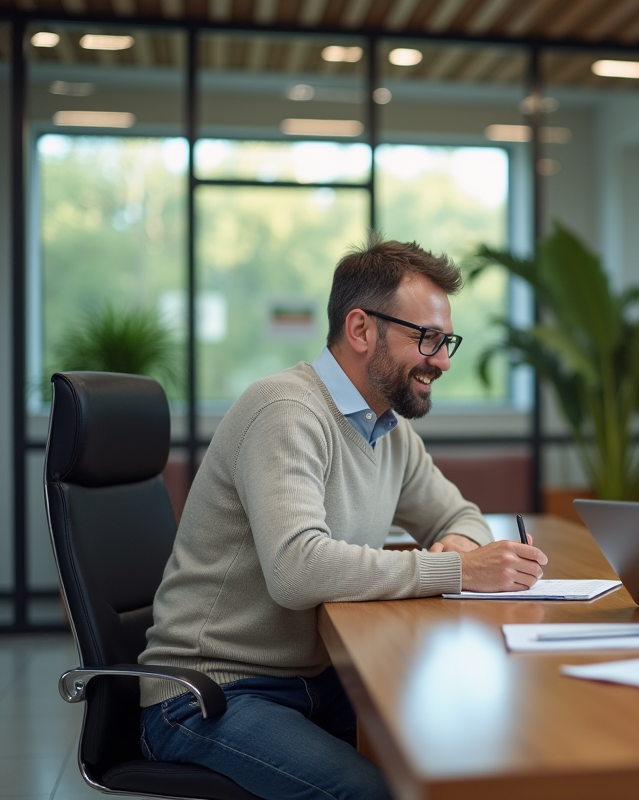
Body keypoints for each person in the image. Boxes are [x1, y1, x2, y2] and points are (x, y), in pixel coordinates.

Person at [138, 233, 548, 800]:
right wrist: (458, 570)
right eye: (427, 338)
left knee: (458, 749)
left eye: (446, 340)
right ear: (360, 330)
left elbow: (460, 514)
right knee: (376, 791)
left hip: (314, 680)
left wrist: (458, 543)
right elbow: (296, 569)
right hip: (208, 692)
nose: (443, 360)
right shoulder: (287, 412)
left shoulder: (387, 429)